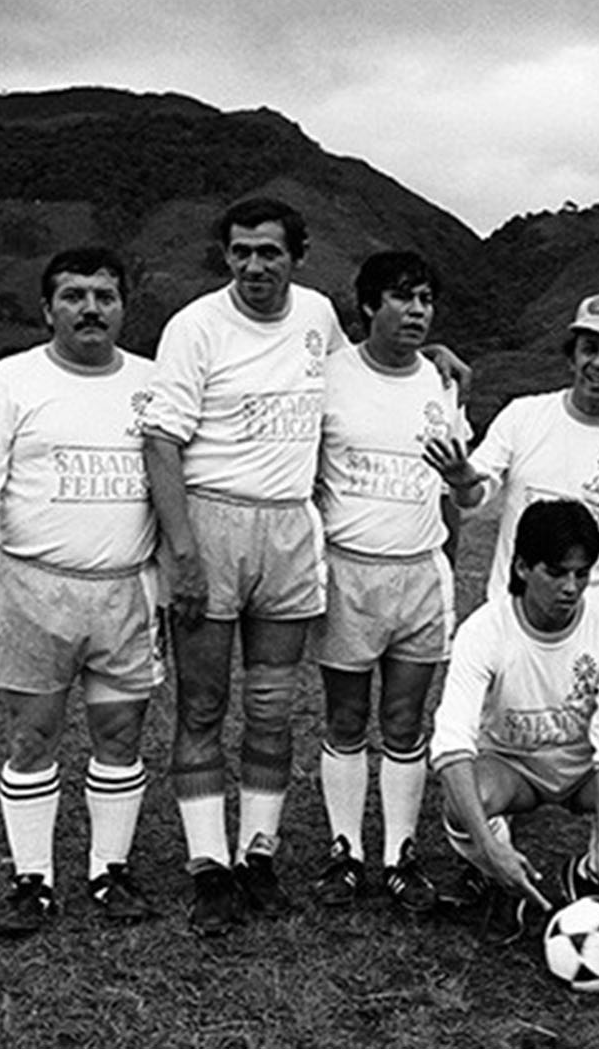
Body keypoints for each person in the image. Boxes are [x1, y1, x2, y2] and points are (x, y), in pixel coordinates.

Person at [0, 247, 161, 936]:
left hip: (126, 590)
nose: (90, 307)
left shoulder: (154, 385)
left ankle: (108, 872)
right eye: (73, 295)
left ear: (125, 306)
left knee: (119, 730)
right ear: (48, 309)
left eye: (104, 295)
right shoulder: (10, 380)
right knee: (33, 733)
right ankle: (31, 880)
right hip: (34, 587)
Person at [141, 196, 340, 935]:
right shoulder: (195, 326)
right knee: (201, 707)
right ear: (225, 256)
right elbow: (160, 441)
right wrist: (183, 550)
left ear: (298, 254)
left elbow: (357, 377)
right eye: (240, 252)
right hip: (213, 519)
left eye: (270, 252)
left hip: (288, 523)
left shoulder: (319, 316)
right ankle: (208, 867)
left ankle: (258, 854)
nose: (255, 266)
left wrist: (435, 360)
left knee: (271, 706)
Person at [428, 500, 599, 941]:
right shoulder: (484, 631)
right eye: (556, 572)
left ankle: (589, 874)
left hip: (583, 768)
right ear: (521, 568)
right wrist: (491, 848)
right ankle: (504, 877)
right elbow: (451, 744)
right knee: (463, 800)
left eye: (582, 573)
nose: (571, 587)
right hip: (512, 767)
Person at [307, 251, 473, 912]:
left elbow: (454, 486)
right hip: (349, 569)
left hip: (419, 571)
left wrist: (448, 559)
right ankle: (344, 850)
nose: (417, 310)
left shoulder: (442, 381)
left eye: (427, 299)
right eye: (403, 297)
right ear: (369, 306)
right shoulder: (330, 377)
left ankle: (399, 853)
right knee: (346, 717)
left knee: (405, 721)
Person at [426, 291, 599, 618]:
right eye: (589, 349)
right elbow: (473, 496)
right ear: (572, 358)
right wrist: (462, 483)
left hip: (596, 623)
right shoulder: (523, 416)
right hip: (512, 617)